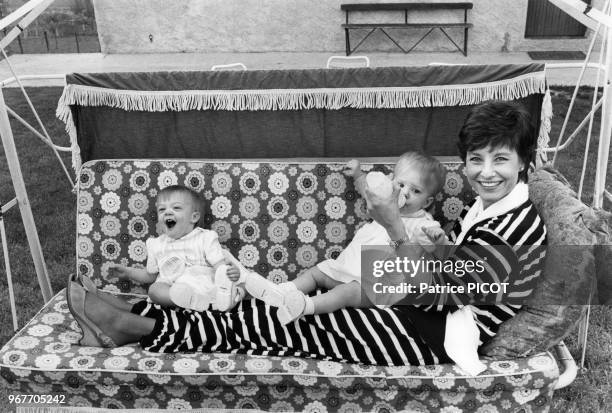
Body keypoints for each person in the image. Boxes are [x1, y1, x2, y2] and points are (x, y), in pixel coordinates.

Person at [67, 100, 547, 372]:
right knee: (267, 307)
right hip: (408, 308)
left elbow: (440, 293)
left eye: (500, 159)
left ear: (523, 161)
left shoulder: (517, 225)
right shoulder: (487, 210)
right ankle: (134, 309)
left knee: (281, 324)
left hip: (431, 335)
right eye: (476, 159)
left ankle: (134, 328)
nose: (486, 172)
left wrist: (393, 229)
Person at [265, 152, 448, 325]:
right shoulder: (383, 203)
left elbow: (436, 242)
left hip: (372, 285)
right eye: (401, 185)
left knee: (344, 293)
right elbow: (367, 191)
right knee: (317, 272)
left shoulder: (422, 223)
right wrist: (358, 175)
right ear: (391, 182)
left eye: (416, 191)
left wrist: (437, 239)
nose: (405, 193)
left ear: (427, 202)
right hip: (344, 268)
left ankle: (307, 306)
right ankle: (283, 290)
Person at [108, 185, 281, 313]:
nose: (167, 212)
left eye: (176, 208)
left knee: (228, 286)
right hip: (174, 287)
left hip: (204, 283)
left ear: (194, 217)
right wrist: (128, 272)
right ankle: (190, 301)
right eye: (162, 209)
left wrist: (229, 276)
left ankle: (223, 297)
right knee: (154, 290)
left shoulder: (205, 237)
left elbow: (219, 264)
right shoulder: (156, 244)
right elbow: (149, 275)